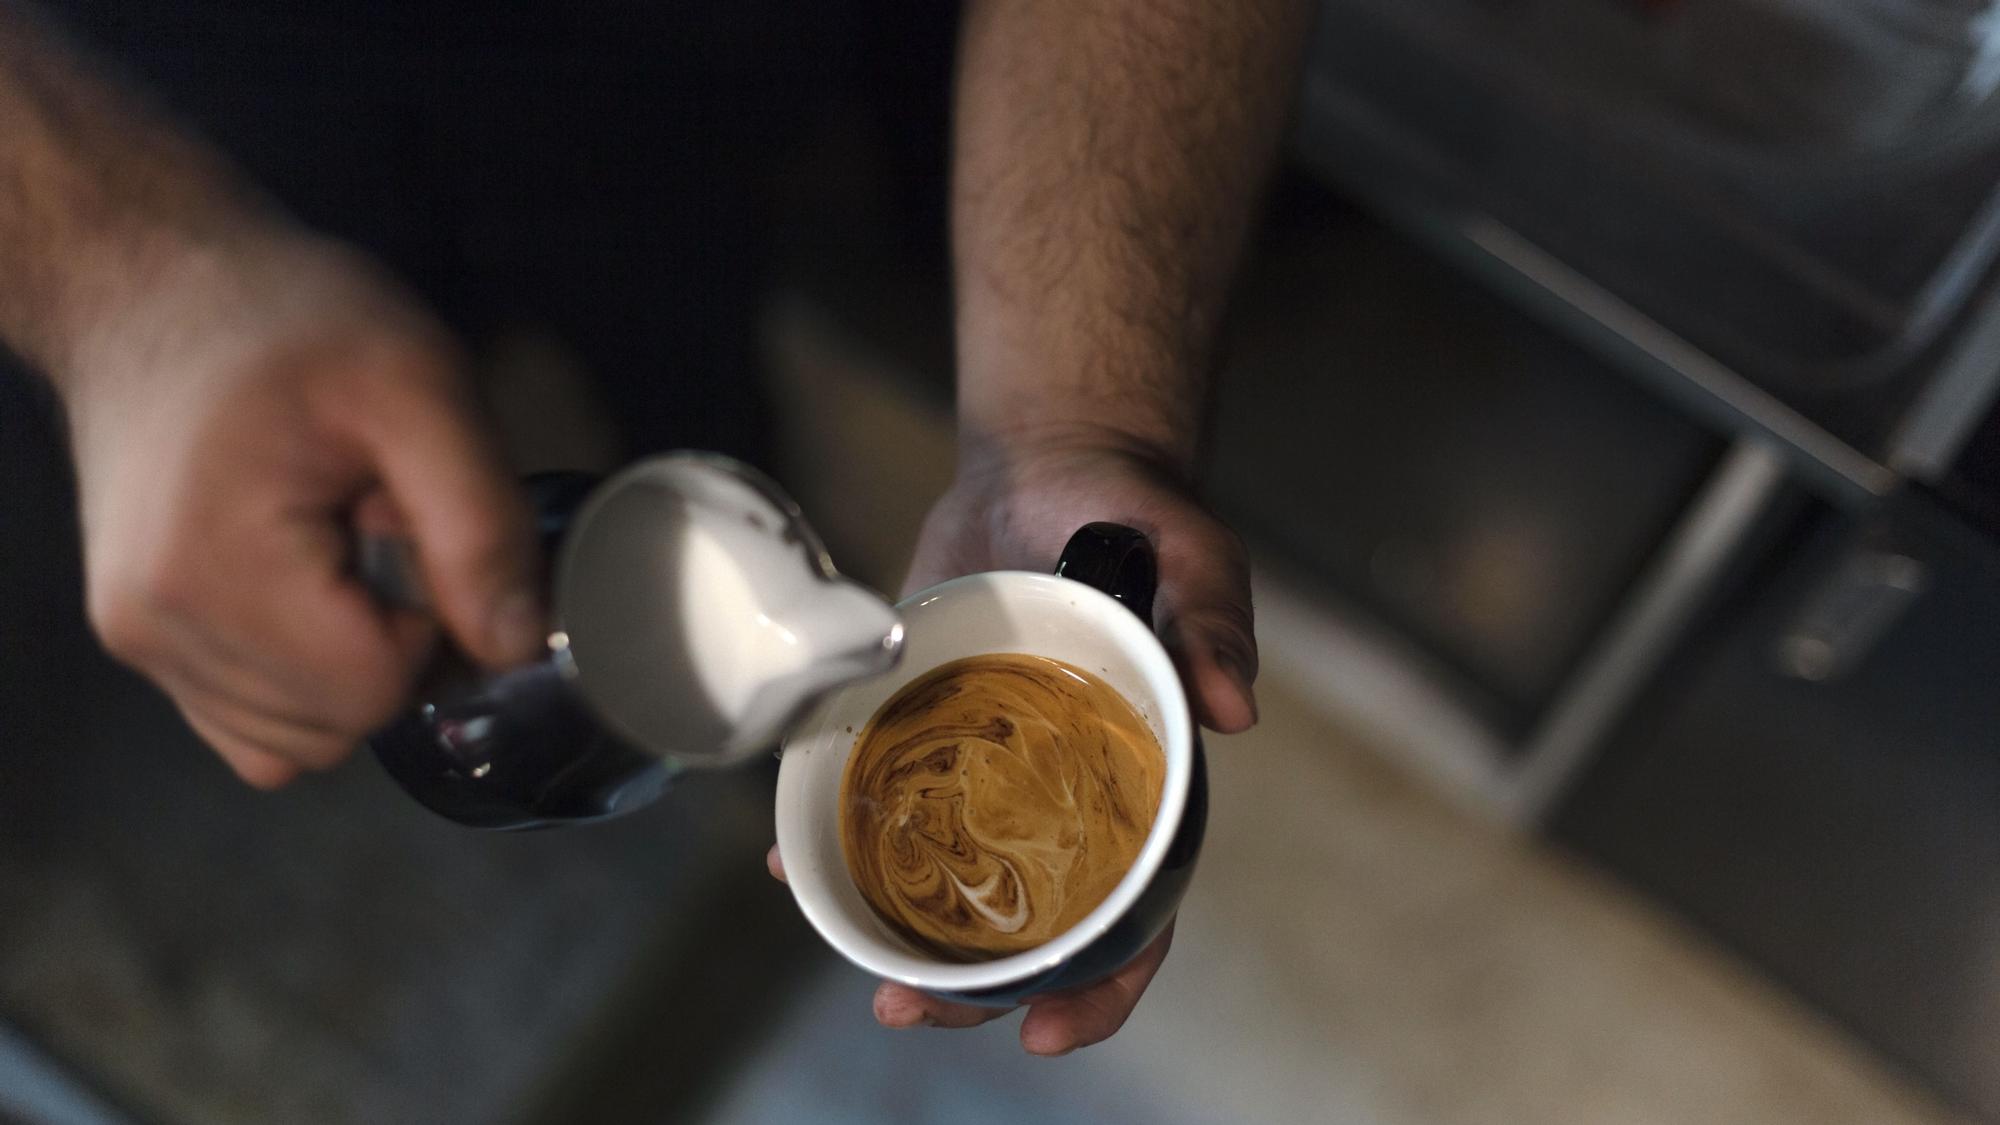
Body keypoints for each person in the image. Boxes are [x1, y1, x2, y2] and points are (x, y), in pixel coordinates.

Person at [0, 0, 1309, 1056]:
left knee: (681, 331)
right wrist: (117, 279)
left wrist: (1067, 418)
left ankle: (722, 448)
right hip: (155, 76)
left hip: (686, 62)